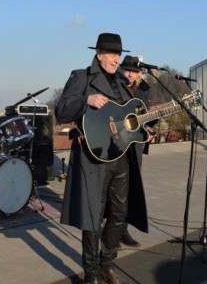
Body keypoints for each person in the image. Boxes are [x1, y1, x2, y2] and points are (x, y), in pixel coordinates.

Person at [56, 33, 149, 284]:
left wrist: (143, 131)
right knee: (93, 216)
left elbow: (126, 118)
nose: (117, 59)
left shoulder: (122, 82)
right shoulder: (81, 76)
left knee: (120, 213)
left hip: (121, 158)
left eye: (119, 55)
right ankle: (91, 271)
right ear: (99, 54)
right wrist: (86, 99)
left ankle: (107, 263)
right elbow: (61, 109)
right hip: (94, 158)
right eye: (112, 54)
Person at [118, 55, 157, 248]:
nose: (130, 74)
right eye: (127, 70)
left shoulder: (143, 90)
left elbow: (145, 117)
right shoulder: (115, 87)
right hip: (117, 145)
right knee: (115, 189)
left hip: (136, 146)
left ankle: (122, 230)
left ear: (140, 74)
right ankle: (112, 229)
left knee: (131, 188)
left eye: (134, 72)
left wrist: (150, 130)